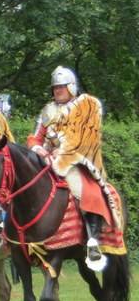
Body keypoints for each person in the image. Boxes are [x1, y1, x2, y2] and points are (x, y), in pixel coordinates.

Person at [26, 66, 115, 267]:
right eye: (55, 87)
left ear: (71, 87)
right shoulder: (47, 110)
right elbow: (35, 137)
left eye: (61, 87)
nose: (57, 90)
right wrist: (40, 150)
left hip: (76, 162)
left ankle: (92, 240)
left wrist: (64, 152)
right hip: (47, 162)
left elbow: (87, 139)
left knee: (84, 191)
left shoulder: (86, 107)